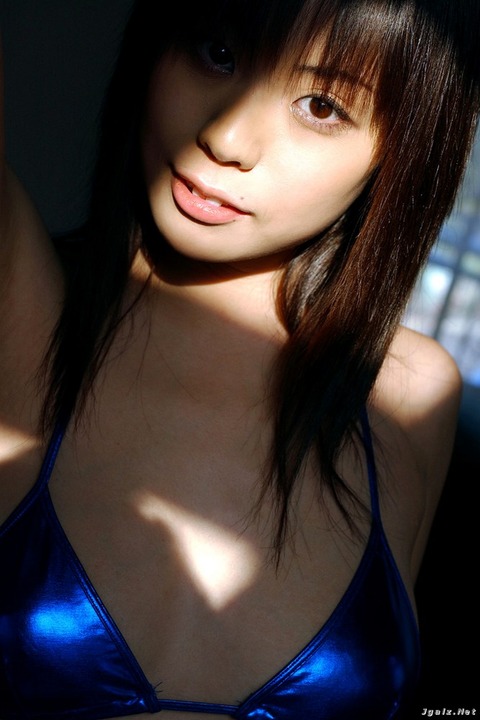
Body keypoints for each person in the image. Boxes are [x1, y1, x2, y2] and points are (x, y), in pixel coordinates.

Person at [0, 0, 478, 718]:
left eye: (321, 107)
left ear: (401, 149)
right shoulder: (21, 307)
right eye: (216, 54)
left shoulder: (411, 397)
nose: (226, 138)